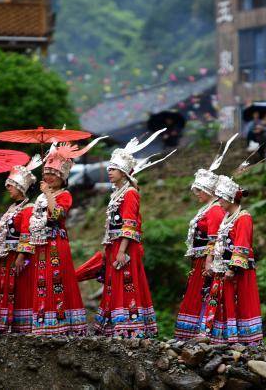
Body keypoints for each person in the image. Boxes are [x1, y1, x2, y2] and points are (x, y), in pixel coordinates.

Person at [19, 139, 103, 335]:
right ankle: (43, 323)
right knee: (41, 281)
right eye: (46, 173)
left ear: (62, 177)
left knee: (56, 280)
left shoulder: (64, 195)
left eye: (53, 174)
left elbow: (56, 216)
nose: (48, 176)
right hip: (40, 245)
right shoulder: (40, 197)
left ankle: (61, 325)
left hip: (56, 244)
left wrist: (48, 194)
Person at [95, 129, 174, 338]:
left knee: (127, 283)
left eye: (114, 169)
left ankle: (130, 328)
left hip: (126, 246)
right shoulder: (116, 193)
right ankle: (115, 327)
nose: (109, 172)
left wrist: (122, 250)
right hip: (115, 245)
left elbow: (129, 225)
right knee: (115, 284)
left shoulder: (130, 193)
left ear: (124, 172)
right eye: (109, 168)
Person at [173, 134, 235, 339]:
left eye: (199, 190)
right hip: (199, 260)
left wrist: (209, 260)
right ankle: (194, 331)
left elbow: (215, 239)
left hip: (206, 261)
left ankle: (204, 330)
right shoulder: (207, 208)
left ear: (209, 190)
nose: (196, 193)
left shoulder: (215, 210)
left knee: (205, 293)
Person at [201, 173, 262, 344]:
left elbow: (242, 245)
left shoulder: (244, 217)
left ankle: (240, 339)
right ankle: (217, 337)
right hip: (222, 268)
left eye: (221, 197)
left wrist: (232, 268)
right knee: (218, 301)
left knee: (236, 303)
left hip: (235, 271)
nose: (218, 200)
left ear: (229, 198)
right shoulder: (227, 218)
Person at [0, 157, 41, 335]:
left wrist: (21, 256)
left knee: (20, 290)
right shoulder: (12, 208)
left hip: (18, 257)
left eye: (11, 184)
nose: (7, 187)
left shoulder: (29, 208)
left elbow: (27, 233)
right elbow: (2, 231)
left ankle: (21, 328)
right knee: (6, 289)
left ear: (21, 187)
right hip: (7, 257)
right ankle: (5, 326)